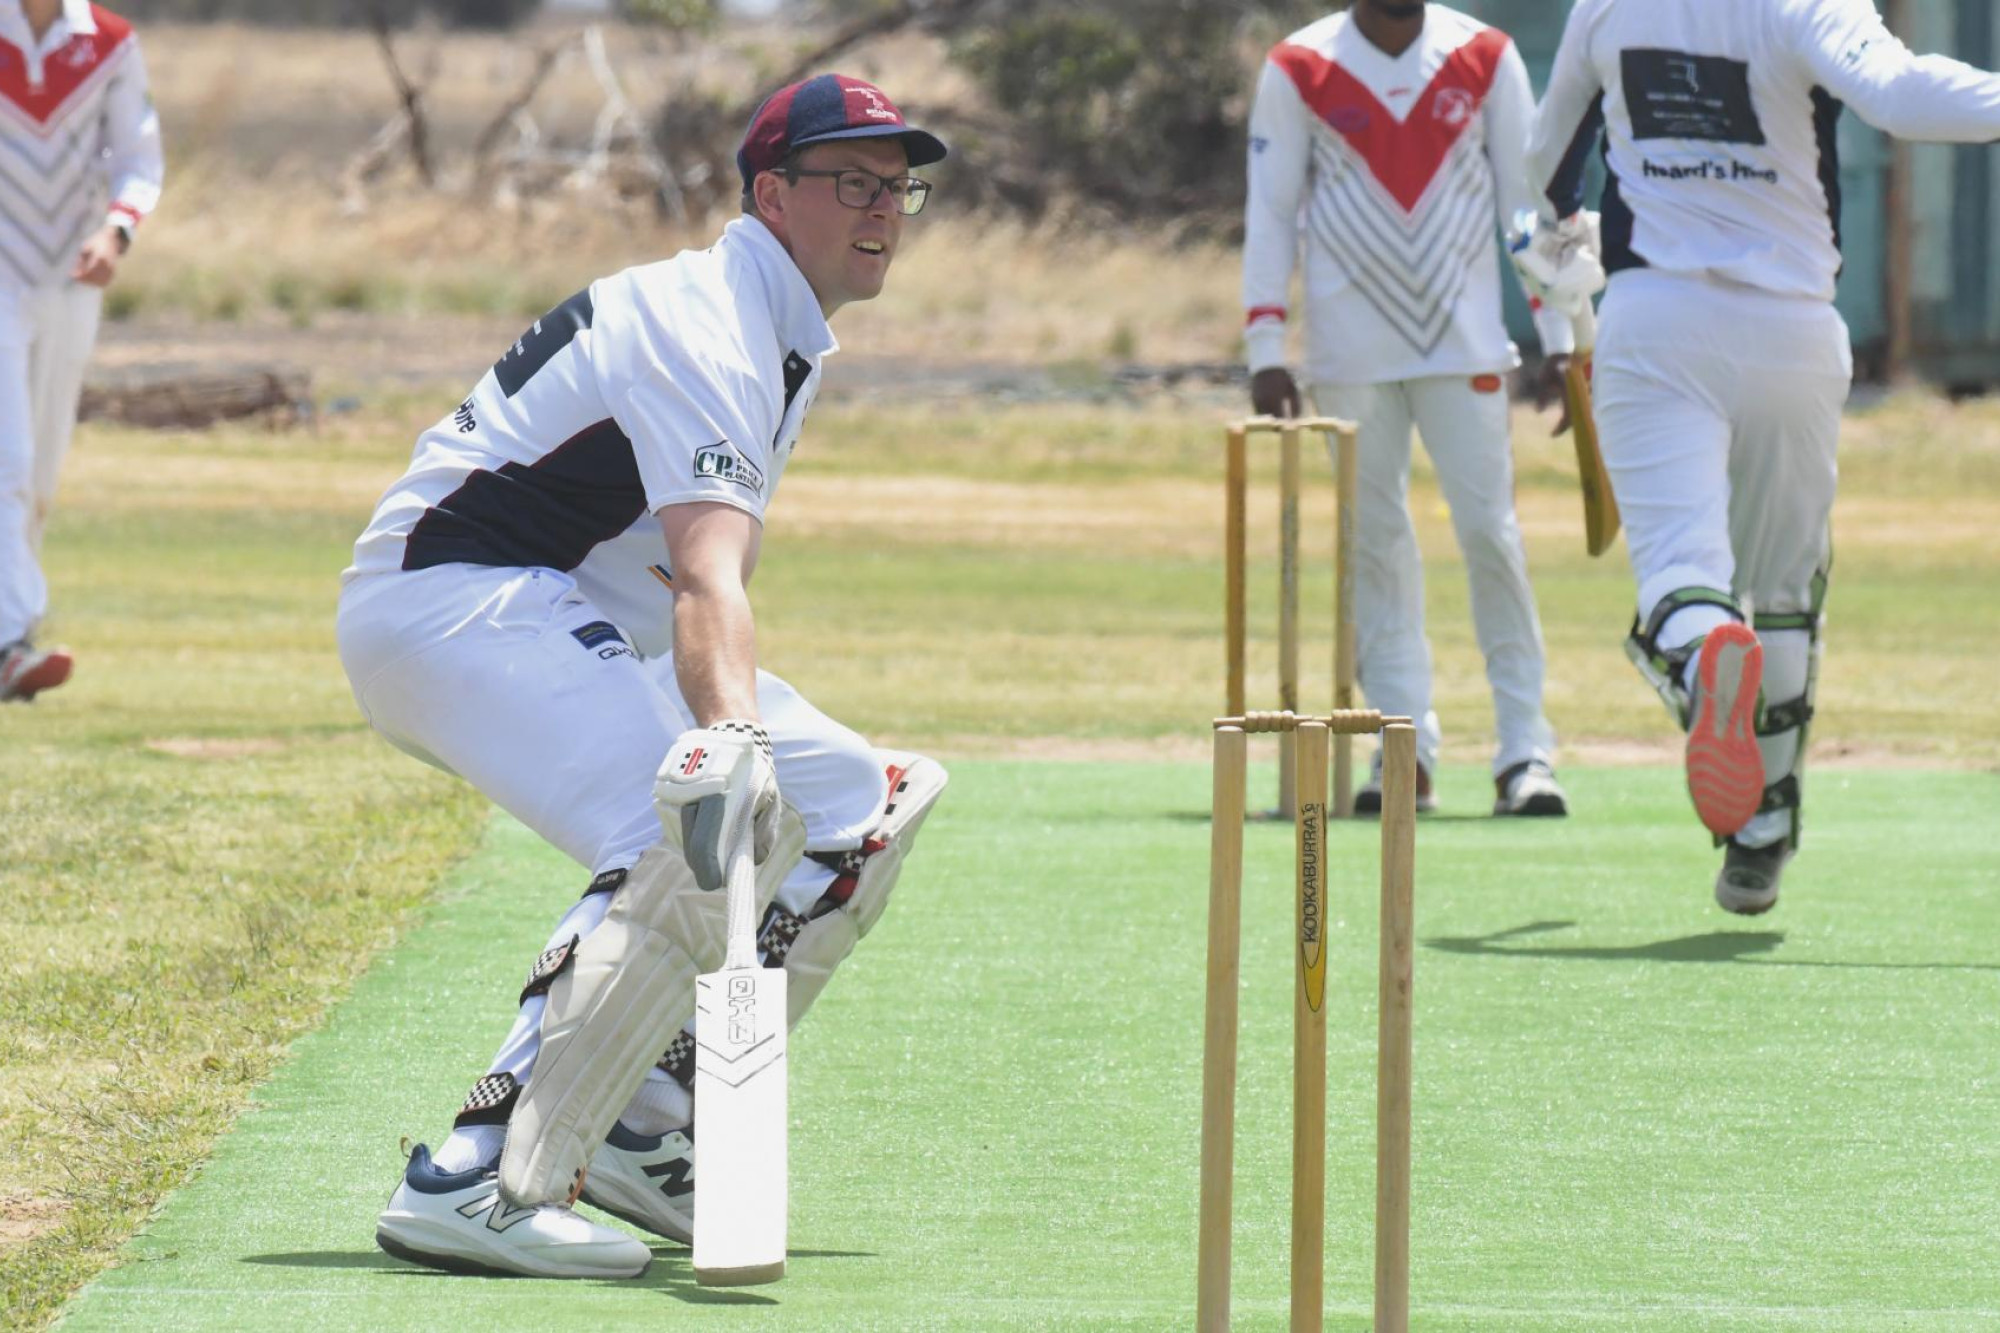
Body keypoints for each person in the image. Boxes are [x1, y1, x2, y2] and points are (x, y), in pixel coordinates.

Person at [336, 74, 951, 1279]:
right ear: (771, 194)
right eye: (851, 183)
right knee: (686, 818)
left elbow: (668, 571)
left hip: (558, 597)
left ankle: (640, 1126)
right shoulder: (706, 321)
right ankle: (483, 1172)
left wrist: (747, 752)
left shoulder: (776, 324)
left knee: (860, 800)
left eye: (899, 188)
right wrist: (723, 742)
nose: (883, 210)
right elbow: (708, 570)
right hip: (454, 601)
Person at [1526, 0, 2000, 912]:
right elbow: (1901, 99)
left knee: (1682, 577)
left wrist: (1558, 241)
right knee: (1785, 589)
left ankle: (1707, 668)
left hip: (1657, 319)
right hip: (1792, 331)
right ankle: (1765, 828)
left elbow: (1545, 170)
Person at [1243, 0, 1575, 819]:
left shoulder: (1486, 56)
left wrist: (1560, 335)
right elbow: (1271, 209)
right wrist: (1265, 347)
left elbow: (1523, 205)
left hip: (1465, 348)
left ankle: (1525, 754)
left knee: (1491, 535)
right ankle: (1402, 752)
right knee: (1375, 544)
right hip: (1348, 354)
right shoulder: (1299, 65)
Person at [0, 0, 162, 702]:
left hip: (69, 277)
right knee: (8, 456)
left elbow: (137, 159)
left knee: (41, 467)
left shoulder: (110, 43)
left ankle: (12, 645)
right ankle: (11, 636)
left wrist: (115, 233)